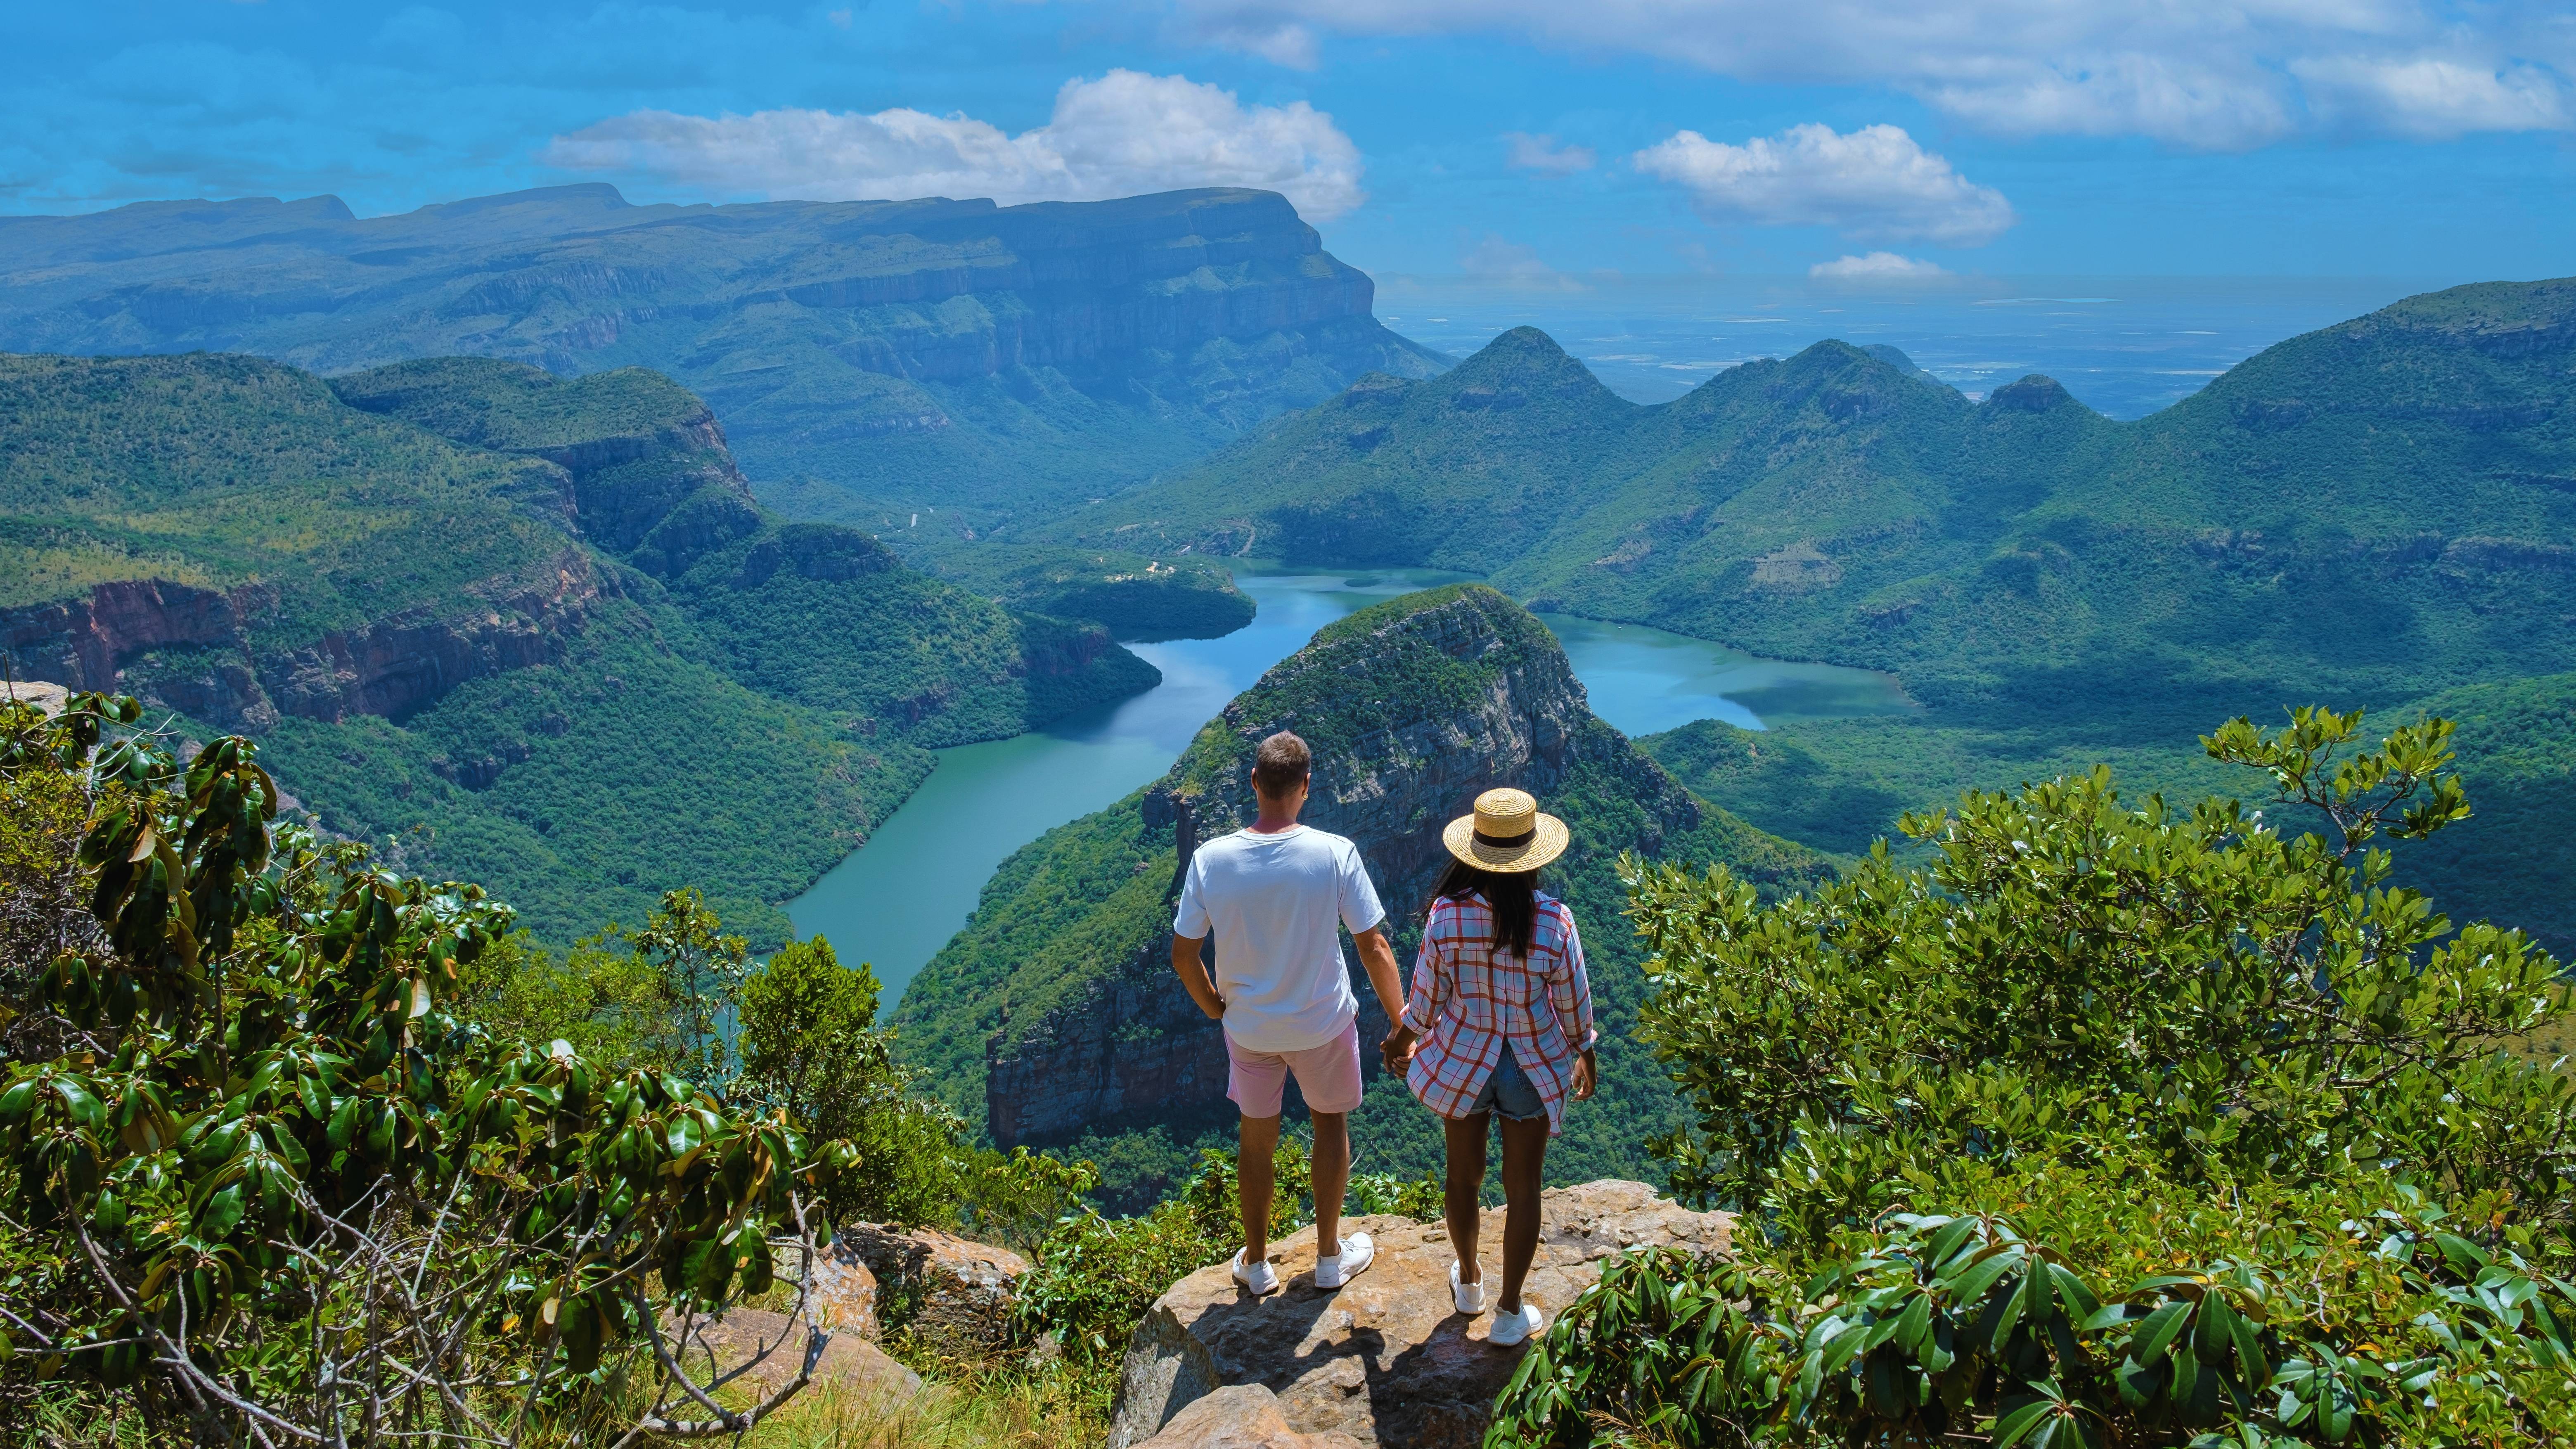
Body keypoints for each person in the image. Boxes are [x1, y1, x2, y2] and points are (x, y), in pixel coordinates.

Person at [1172, 731, 1409, 1297]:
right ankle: (1329, 1258)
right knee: (1330, 1125)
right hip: (1322, 1024)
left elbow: (1184, 956)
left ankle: (1256, 1265)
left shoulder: (1210, 859)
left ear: (1255, 783)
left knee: (1256, 1143)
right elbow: (1373, 947)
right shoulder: (1334, 852)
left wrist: (1215, 1008)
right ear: (1306, 787)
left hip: (1250, 1029)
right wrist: (1404, 1023)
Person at [1380, 786, 1596, 1347]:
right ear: (1532, 856)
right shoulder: (1555, 921)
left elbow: (1425, 1004)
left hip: (1463, 1062)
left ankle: (1470, 1280)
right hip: (1530, 1065)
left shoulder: (1447, 916)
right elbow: (1574, 1005)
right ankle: (1509, 1310)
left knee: (1463, 1176)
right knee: (1523, 1186)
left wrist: (1397, 1039)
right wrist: (1585, 1052)